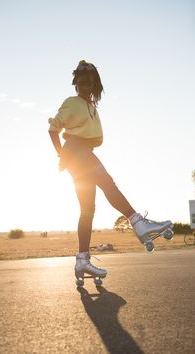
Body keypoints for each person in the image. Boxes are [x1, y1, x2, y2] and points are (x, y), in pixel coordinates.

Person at [48, 60, 172, 280]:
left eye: (89, 83)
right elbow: (53, 129)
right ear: (75, 83)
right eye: (81, 83)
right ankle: (138, 223)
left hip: (81, 153)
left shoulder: (91, 107)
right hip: (77, 151)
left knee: (88, 209)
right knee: (107, 182)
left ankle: (82, 260)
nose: (85, 87)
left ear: (94, 85)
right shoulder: (72, 102)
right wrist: (62, 155)